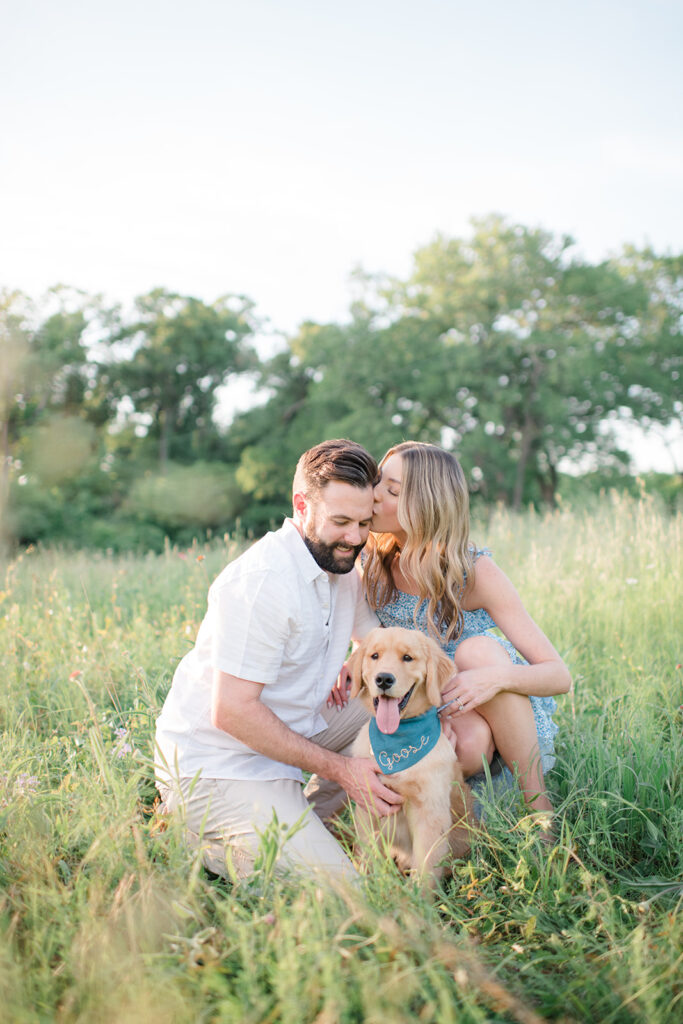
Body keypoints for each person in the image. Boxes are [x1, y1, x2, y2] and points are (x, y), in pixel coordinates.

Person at [155, 439, 402, 882]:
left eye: (365, 523)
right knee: (345, 892)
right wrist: (344, 771)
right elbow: (232, 710)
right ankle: (200, 840)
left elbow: (376, 641)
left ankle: (309, 823)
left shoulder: (341, 565)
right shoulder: (262, 582)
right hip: (218, 765)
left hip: (291, 736)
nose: (355, 538)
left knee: (398, 711)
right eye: (341, 522)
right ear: (301, 505)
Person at [359, 441, 571, 820]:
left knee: (478, 654)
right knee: (461, 745)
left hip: (484, 708)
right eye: (377, 482)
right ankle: (452, 819)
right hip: (417, 705)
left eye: (390, 490)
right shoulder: (369, 561)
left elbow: (558, 675)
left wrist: (493, 679)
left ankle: (542, 816)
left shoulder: (474, 573)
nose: (373, 495)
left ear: (424, 505)